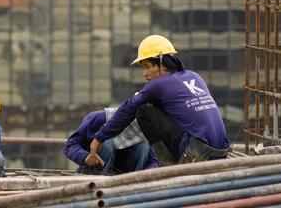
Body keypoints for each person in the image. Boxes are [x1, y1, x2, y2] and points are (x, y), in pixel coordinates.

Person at [88, 35, 231, 167]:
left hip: (197, 154)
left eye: (148, 67)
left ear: (162, 63)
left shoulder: (158, 85)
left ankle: (167, 165)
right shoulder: (194, 76)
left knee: (143, 109)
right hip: (222, 153)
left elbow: (127, 109)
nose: (145, 73)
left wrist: (99, 138)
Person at [64, 108, 159, 175]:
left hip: (127, 180)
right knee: (107, 143)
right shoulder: (97, 119)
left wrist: (149, 173)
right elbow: (70, 145)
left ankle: (136, 181)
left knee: (142, 146)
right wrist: (84, 156)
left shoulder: (141, 130)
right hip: (94, 178)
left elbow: (153, 161)